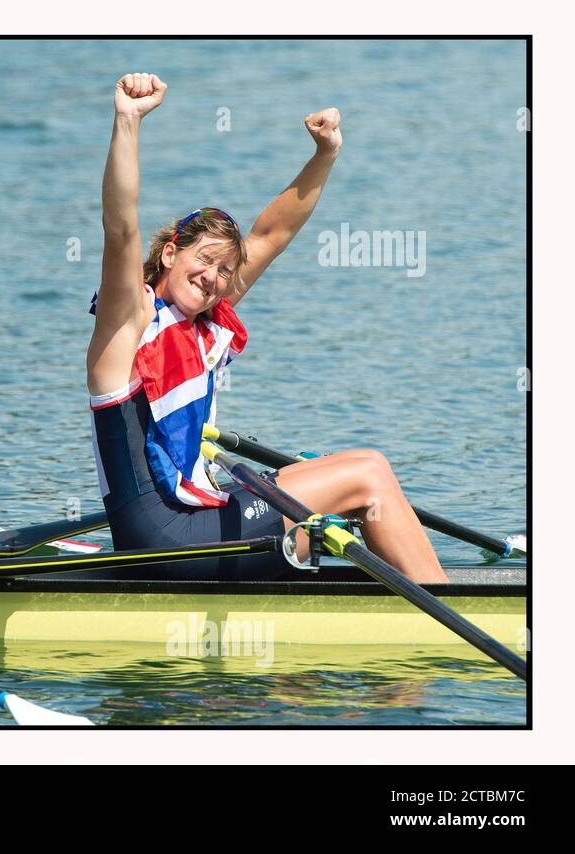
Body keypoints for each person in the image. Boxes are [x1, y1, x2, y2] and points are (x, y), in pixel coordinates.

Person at [87, 74, 447, 583]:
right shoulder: (126, 323)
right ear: (169, 253)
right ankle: (448, 607)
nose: (213, 278)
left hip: (193, 519)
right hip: (163, 541)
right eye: (203, 260)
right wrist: (127, 120)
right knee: (367, 476)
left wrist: (325, 155)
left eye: (223, 271)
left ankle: (378, 600)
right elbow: (120, 226)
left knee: (352, 464)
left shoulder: (200, 321)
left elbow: (270, 235)